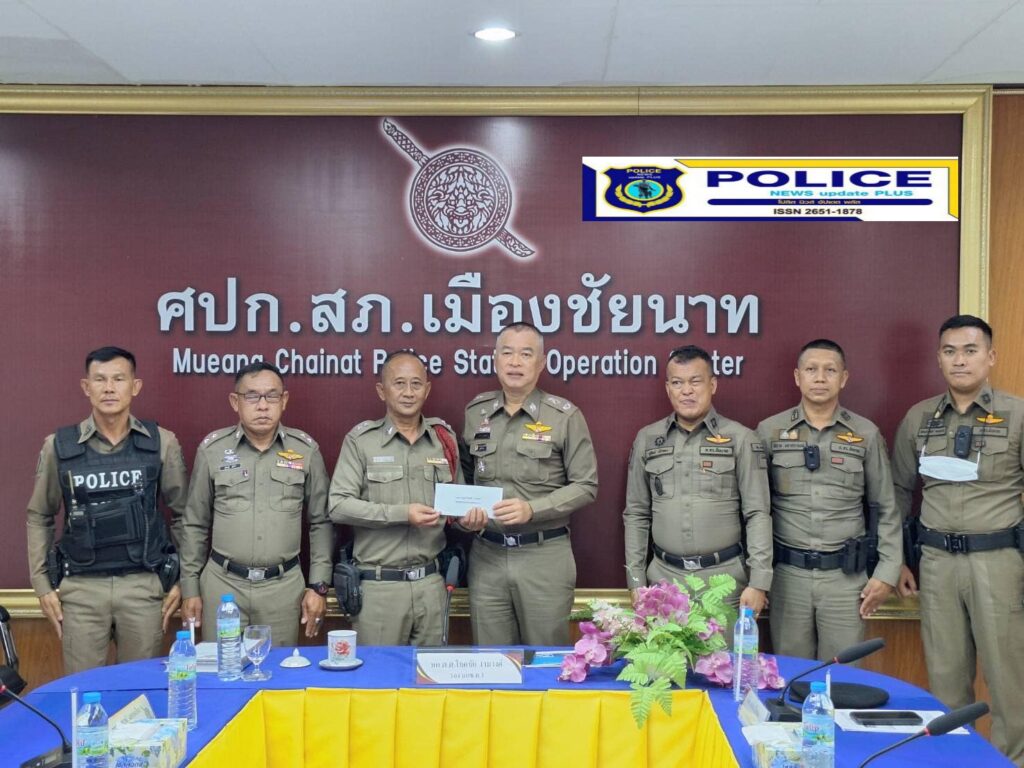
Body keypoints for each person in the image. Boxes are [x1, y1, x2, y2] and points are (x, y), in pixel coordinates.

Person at [891, 315, 1024, 766]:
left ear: (991, 357)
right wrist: (898, 560)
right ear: (939, 358)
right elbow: (898, 492)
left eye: (970, 350)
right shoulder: (919, 418)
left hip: (998, 562)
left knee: (1009, 683)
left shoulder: (1017, 414)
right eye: (950, 351)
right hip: (937, 563)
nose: (960, 360)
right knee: (946, 682)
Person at [25, 346, 188, 674]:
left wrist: (185, 579)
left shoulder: (162, 443)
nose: (109, 388)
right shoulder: (59, 446)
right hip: (81, 590)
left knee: (140, 689)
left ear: (135, 386)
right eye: (100, 380)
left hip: (142, 585)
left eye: (118, 379)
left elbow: (185, 516)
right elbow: (40, 515)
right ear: (86, 387)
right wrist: (41, 585)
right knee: (85, 690)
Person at [757, 339, 901, 662]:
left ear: (844, 378)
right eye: (811, 369)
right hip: (788, 578)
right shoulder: (769, 432)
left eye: (830, 370)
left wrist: (887, 572)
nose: (820, 378)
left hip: (845, 580)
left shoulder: (865, 434)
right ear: (797, 377)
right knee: (792, 674)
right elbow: (755, 509)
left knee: (842, 676)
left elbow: (886, 507)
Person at [329, 351, 482, 645]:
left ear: (427, 389)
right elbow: (338, 505)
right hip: (380, 587)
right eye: (399, 383)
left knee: (429, 674)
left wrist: (470, 520)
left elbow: (457, 507)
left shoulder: (443, 439)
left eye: (416, 384)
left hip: (431, 586)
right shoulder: (362, 441)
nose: (409, 392)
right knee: (380, 674)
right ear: (382, 390)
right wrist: (402, 513)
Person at [462, 322, 598, 646]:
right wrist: (464, 516)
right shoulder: (476, 412)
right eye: (507, 353)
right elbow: (464, 476)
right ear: (495, 359)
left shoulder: (564, 416)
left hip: (543, 555)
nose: (514, 362)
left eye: (525, 354)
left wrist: (532, 509)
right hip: (488, 555)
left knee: (545, 661)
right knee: (492, 662)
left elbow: (586, 485)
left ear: (542, 363)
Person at [179, 362, 333, 646]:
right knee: (223, 670)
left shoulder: (305, 450)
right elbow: (194, 524)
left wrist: (318, 586)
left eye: (271, 396)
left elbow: (321, 523)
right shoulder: (213, 450)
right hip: (223, 585)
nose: (263, 405)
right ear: (234, 401)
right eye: (252, 396)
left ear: (284, 400)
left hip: (282, 588)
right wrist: (190, 588)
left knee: (276, 671)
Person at [623, 345, 772, 617]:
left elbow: (758, 513)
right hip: (664, 581)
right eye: (677, 383)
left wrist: (759, 582)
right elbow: (636, 514)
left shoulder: (741, 438)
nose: (686, 391)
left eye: (695, 381)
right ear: (668, 388)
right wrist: (635, 580)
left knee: (724, 648)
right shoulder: (647, 439)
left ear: (712, 385)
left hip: (724, 583)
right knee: (664, 648)